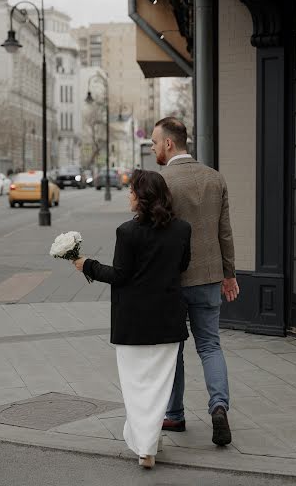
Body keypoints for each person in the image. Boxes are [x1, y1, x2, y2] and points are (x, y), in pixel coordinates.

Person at [74, 169, 191, 469]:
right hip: (167, 320)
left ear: (143, 197)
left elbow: (120, 275)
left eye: (131, 191)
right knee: (159, 388)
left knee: (136, 387)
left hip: (133, 322)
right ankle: (150, 443)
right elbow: (183, 264)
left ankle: (146, 448)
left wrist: (87, 264)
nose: (129, 195)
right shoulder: (182, 229)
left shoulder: (127, 232)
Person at [151, 117, 240, 447]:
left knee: (174, 350)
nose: (153, 148)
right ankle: (219, 406)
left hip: (173, 283)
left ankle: (174, 414)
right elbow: (225, 232)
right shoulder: (214, 178)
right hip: (208, 278)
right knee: (210, 345)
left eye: (154, 143)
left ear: (169, 144)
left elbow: (155, 236)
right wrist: (228, 274)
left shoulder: (162, 182)